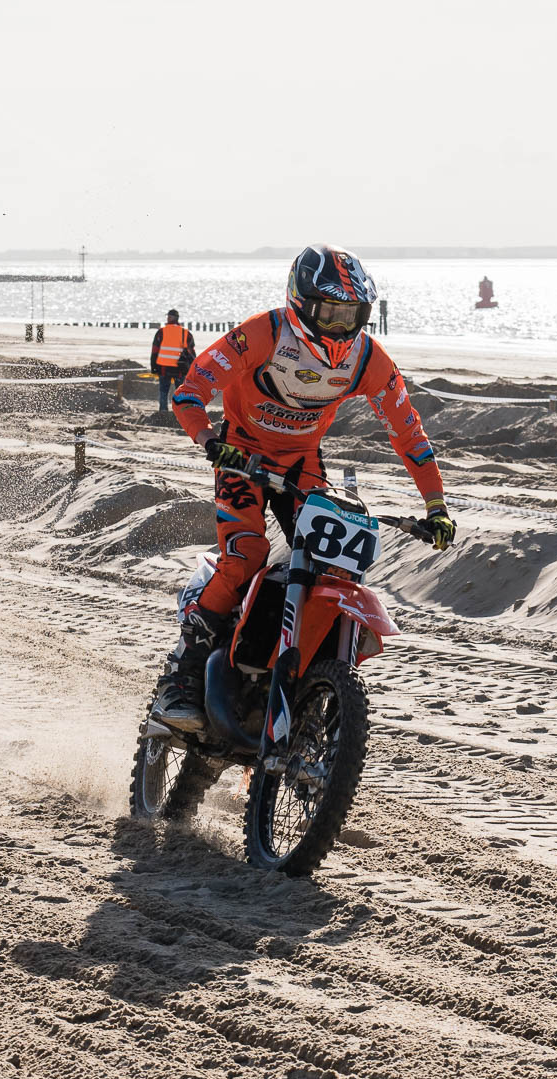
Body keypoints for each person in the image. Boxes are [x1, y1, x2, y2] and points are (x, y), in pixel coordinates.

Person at [151, 245, 456, 726]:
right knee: (246, 555)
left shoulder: (367, 358)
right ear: (301, 301)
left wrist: (436, 505)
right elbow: (190, 390)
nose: (339, 326)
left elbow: (408, 434)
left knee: (332, 567)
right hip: (241, 454)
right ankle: (181, 679)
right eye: (329, 312)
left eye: (350, 314)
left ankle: (302, 679)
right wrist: (211, 441)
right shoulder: (264, 333)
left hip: (303, 462)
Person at [149, 308, 196, 414]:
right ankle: (181, 412)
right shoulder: (185, 333)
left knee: (163, 391)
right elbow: (191, 352)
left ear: (172, 318)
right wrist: (192, 367)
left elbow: (155, 350)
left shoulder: (161, 332)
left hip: (164, 367)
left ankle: (163, 412)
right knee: (181, 393)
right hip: (180, 368)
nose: (168, 318)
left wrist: (153, 366)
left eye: (169, 316)